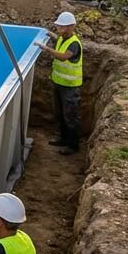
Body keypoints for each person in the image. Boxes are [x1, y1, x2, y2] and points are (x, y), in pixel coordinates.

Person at [36, 11, 83, 154]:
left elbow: (63, 56)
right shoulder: (63, 38)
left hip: (70, 87)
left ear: (71, 27)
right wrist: (50, 34)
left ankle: (73, 145)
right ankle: (63, 139)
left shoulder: (74, 43)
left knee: (70, 116)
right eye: (59, 26)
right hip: (59, 83)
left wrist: (46, 49)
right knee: (61, 114)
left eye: (62, 27)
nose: (59, 29)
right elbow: (59, 40)